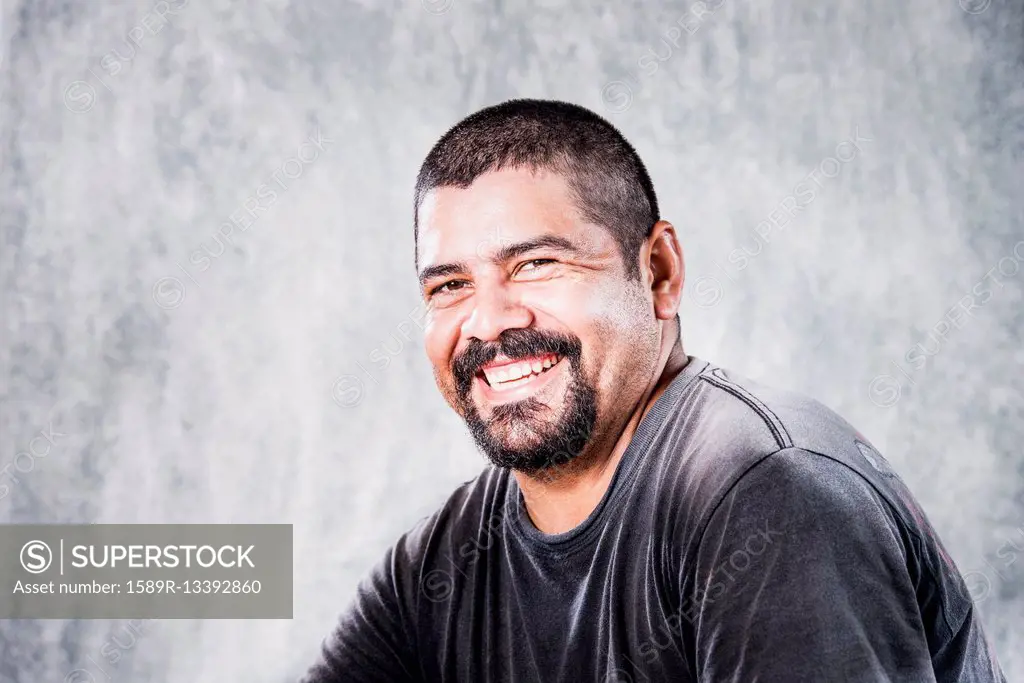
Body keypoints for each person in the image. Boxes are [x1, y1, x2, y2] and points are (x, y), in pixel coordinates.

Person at [302, 99, 1008, 682]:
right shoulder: (442, 563)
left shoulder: (764, 493)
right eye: (450, 285)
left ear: (660, 272)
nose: (488, 322)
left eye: (538, 263)